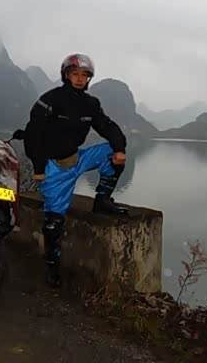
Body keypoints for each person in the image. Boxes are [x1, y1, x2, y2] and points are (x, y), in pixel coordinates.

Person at [19, 53, 128, 288]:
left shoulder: (91, 104)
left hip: (77, 158)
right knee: (53, 223)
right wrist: (38, 167)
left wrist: (120, 148)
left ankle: (102, 200)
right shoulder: (50, 100)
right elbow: (33, 134)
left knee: (113, 153)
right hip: (54, 167)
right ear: (66, 75)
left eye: (84, 75)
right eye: (75, 74)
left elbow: (107, 126)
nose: (80, 79)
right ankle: (52, 267)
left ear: (89, 78)